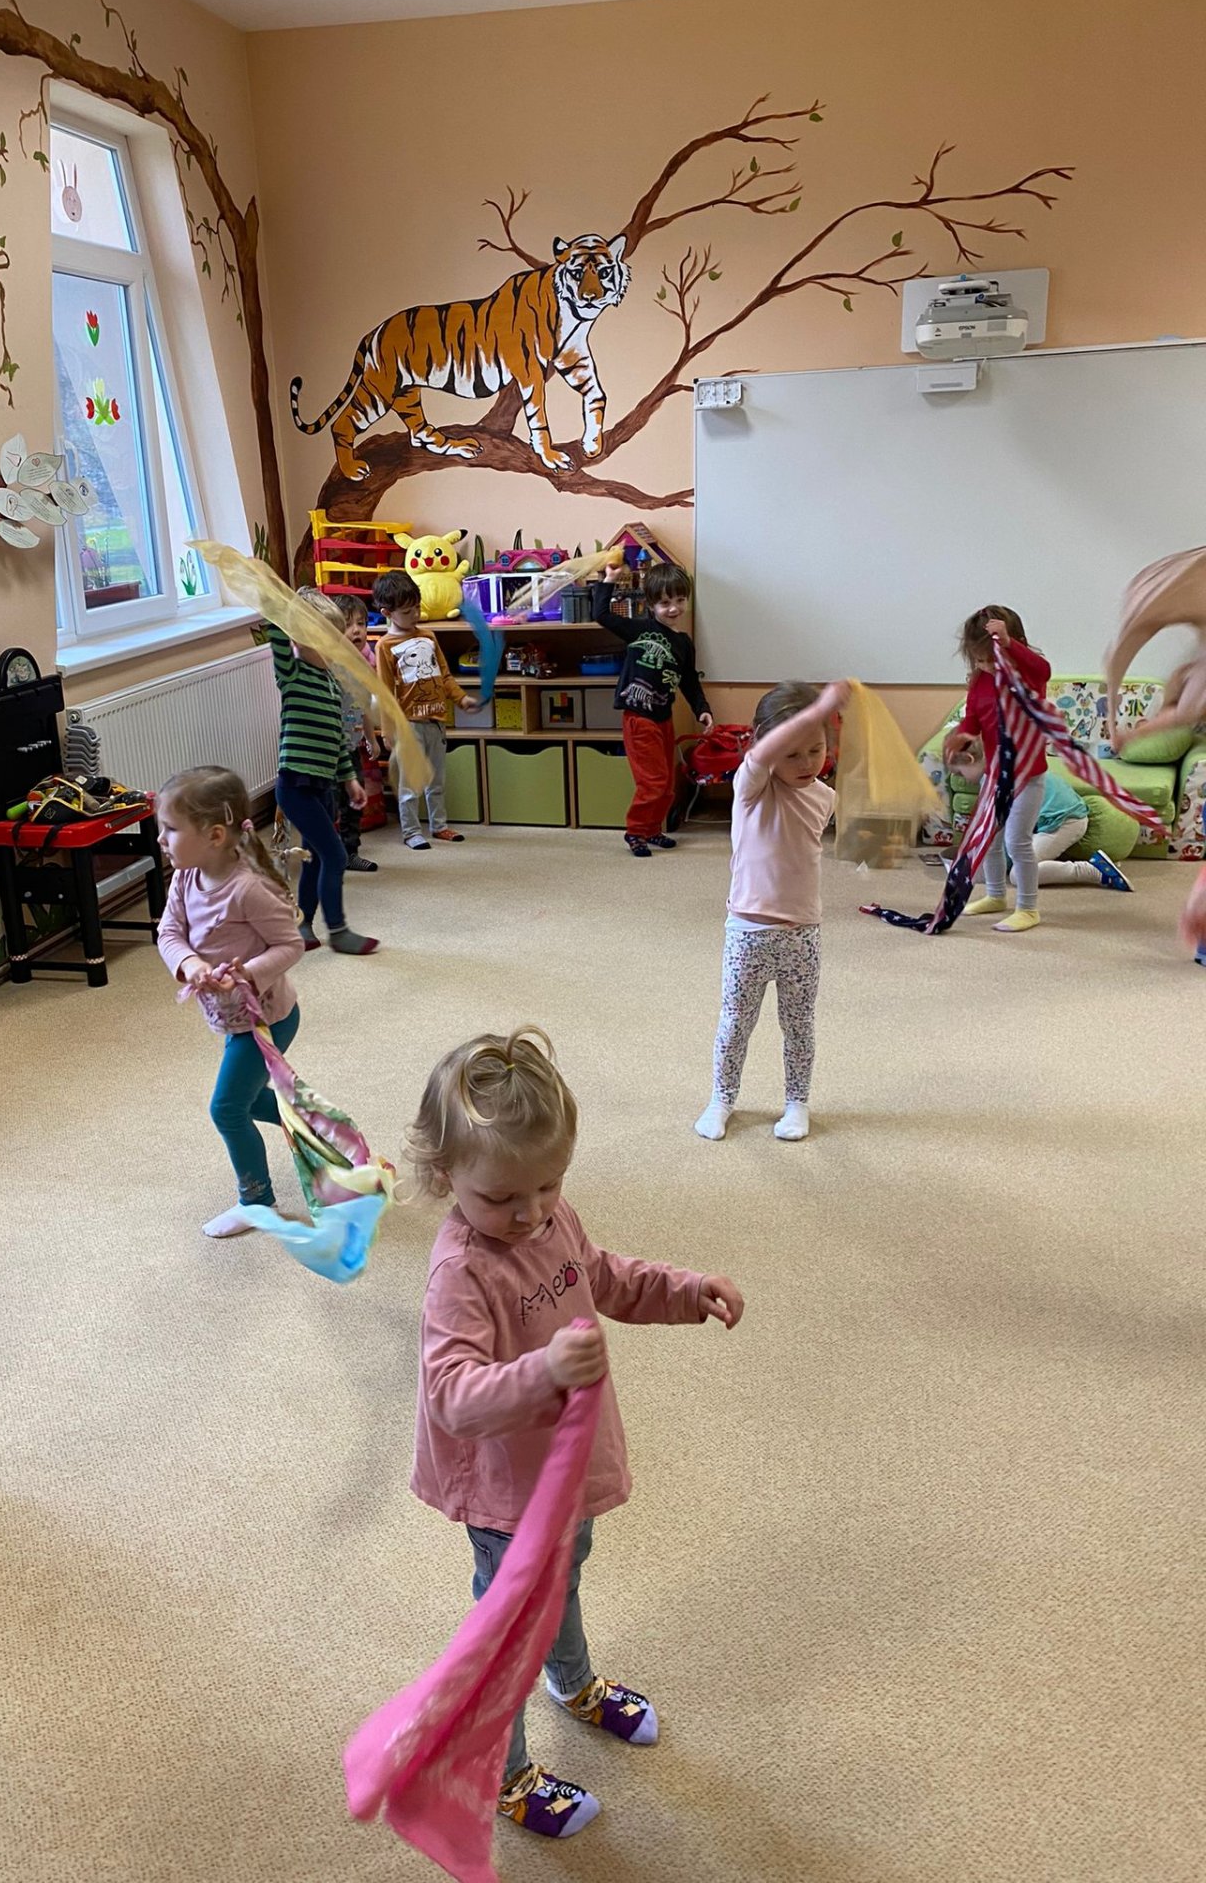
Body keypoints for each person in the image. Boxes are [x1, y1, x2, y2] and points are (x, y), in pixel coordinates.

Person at [408, 1027, 744, 1841]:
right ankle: (500, 1771)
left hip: (567, 1471)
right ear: (444, 1173)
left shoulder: (549, 1221)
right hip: (508, 1496)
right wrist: (546, 1371)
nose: (530, 1214)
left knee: (564, 1585)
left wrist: (684, 1290)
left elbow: (600, 1275)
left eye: (548, 1186)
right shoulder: (461, 1272)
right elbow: (451, 1396)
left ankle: (572, 1681)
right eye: (502, 1198)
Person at [696, 680, 848, 1144]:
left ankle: (797, 1103)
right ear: (765, 744)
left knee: (798, 1025)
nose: (806, 763)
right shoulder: (751, 788)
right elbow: (762, 758)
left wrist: (817, 719)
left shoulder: (825, 798)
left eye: (815, 749)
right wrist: (817, 711)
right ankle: (722, 1099)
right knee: (735, 1023)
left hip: (802, 934)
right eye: (792, 753)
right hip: (748, 933)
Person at [156, 767, 306, 1239]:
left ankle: (257, 1201)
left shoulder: (248, 888)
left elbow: (291, 945)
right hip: (231, 1017)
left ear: (215, 835)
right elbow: (169, 932)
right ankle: (312, 1125)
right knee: (249, 1098)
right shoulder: (186, 878)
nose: (161, 839)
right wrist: (191, 964)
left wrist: (247, 974)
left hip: (266, 1019)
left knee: (226, 1108)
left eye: (171, 829)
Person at [265, 590, 377, 954]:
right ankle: (339, 931)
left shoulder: (331, 683)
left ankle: (303, 925)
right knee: (336, 855)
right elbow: (276, 633)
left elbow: (338, 739)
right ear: (300, 640)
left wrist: (350, 779)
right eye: (324, 641)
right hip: (296, 786)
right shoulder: (293, 675)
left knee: (315, 856)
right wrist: (279, 604)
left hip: (324, 786)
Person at [590, 561, 712, 859]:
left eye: (680, 600)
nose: (673, 608)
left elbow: (689, 680)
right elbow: (601, 614)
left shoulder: (683, 643)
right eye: (665, 603)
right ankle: (635, 831)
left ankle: (652, 829)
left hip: (663, 718)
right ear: (651, 604)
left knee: (667, 784)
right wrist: (609, 580)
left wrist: (701, 709)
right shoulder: (639, 629)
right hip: (639, 718)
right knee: (652, 782)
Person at [942, 608, 1053, 933]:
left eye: (992, 659)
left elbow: (1044, 670)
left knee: (1017, 841)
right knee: (989, 839)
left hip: (1027, 776)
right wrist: (962, 736)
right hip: (995, 775)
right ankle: (995, 895)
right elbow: (973, 719)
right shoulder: (980, 681)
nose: (987, 666)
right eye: (979, 660)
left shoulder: (1027, 675)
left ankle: (1028, 908)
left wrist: (1008, 645)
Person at [373, 568, 479, 850]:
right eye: (408, 611)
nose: (416, 615)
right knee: (410, 784)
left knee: (437, 780)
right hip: (408, 725)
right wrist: (387, 730)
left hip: (436, 720)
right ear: (387, 613)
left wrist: (461, 699)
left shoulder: (429, 636)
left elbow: (444, 675)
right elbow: (385, 692)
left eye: (417, 608)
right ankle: (411, 832)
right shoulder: (385, 646)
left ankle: (439, 826)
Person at [951, 739, 1132, 890]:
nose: (963, 778)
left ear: (969, 759)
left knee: (1018, 875)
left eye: (960, 772)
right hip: (1051, 818)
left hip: (1066, 820)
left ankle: (1092, 869)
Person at [337, 598, 381, 874]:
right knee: (331, 803)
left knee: (354, 800)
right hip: (330, 750)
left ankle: (350, 852)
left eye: (361, 624)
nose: (356, 630)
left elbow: (364, 705)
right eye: (347, 624)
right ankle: (328, 853)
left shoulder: (364, 663)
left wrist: (371, 738)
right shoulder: (328, 665)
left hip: (352, 746)